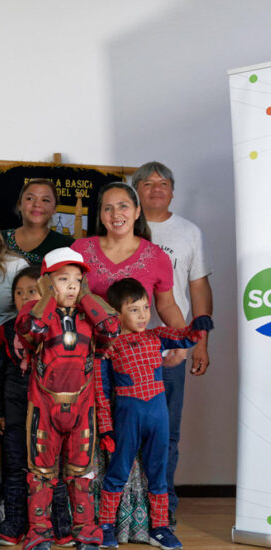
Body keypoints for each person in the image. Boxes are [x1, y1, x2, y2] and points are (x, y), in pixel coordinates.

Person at [71, 181, 186, 544]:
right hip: (87, 360)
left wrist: (182, 339)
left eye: (124, 206)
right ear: (99, 215)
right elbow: (62, 296)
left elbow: (166, 305)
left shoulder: (155, 256)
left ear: (137, 212)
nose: (116, 214)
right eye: (108, 207)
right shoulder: (80, 250)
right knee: (97, 439)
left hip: (138, 361)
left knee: (156, 442)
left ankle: (152, 524)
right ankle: (93, 522)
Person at [95, 279, 212, 550]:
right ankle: (105, 527)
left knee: (158, 473)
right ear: (117, 313)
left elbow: (183, 336)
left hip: (158, 415)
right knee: (118, 471)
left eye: (146, 307)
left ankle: (159, 528)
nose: (143, 314)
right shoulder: (109, 348)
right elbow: (102, 391)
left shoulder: (156, 335)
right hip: (128, 416)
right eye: (134, 309)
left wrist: (199, 327)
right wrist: (106, 428)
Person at [15, 248, 120, 550]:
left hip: (81, 405)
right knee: (41, 473)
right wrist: (47, 294)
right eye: (63, 279)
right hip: (44, 406)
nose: (73, 286)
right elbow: (31, 329)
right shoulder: (36, 310)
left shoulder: (89, 315)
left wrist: (86, 296)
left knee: (82, 472)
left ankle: (86, 531)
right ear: (47, 283)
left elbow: (112, 327)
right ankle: (39, 533)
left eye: (78, 279)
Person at [133, 161, 213, 525]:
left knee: (167, 432)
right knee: (124, 431)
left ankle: (162, 506)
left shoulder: (188, 232)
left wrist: (201, 342)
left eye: (163, 183)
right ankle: (127, 507)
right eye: (147, 183)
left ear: (173, 190)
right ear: (135, 191)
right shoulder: (123, 228)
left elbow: (198, 288)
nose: (155, 188)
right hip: (126, 349)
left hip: (172, 348)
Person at [0, 266, 73, 546]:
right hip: (15, 413)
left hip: (52, 415)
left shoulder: (61, 327)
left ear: (47, 293)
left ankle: (59, 527)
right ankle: (13, 524)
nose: (25, 297)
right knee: (14, 468)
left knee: (53, 470)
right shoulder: (7, 330)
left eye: (32, 291)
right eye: (19, 292)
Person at [1, 178, 75, 266]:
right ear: (19, 204)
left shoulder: (68, 246)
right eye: (30, 198)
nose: (37, 204)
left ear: (54, 208)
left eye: (45, 200)